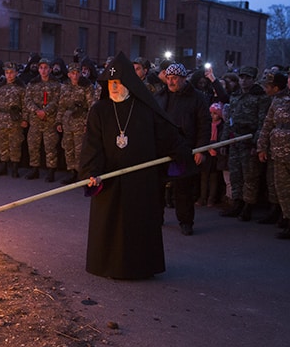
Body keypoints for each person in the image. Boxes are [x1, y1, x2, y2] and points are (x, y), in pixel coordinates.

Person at [80, 52, 191, 279]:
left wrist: (180, 151)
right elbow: (92, 145)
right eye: (110, 82)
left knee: (137, 224)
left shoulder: (145, 108)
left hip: (141, 180)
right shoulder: (99, 110)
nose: (113, 87)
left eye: (118, 82)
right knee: (111, 223)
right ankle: (107, 265)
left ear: (129, 83)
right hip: (109, 178)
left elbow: (165, 135)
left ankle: (140, 266)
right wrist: (92, 172)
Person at [154, 62, 211, 236]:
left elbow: (204, 124)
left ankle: (186, 221)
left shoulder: (197, 97)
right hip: (161, 148)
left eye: (174, 78)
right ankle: (156, 217)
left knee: (183, 188)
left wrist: (201, 149)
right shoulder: (160, 96)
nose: (170, 82)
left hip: (184, 149)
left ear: (184, 78)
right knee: (157, 186)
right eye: (168, 78)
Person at [219, 66, 270, 220]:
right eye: (242, 77)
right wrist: (224, 142)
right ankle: (237, 202)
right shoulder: (235, 95)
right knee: (235, 174)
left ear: (254, 79)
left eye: (248, 78)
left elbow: (262, 122)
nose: (244, 81)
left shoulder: (261, 97)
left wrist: (256, 144)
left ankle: (248, 206)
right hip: (235, 140)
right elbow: (229, 120)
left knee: (250, 175)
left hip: (249, 140)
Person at [257, 72, 290, 238]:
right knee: (282, 188)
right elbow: (267, 124)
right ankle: (286, 218)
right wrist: (261, 147)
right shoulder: (277, 101)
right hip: (278, 152)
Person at [56, 62, 96, 184]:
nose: (75, 75)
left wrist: (87, 123)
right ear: (68, 74)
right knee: (68, 147)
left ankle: (80, 173)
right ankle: (71, 172)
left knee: (79, 149)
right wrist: (58, 121)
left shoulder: (87, 86)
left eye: (77, 73)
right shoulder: (65, 87)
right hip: (67, 121)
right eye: (72, 73)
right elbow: (61, 105)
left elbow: (91, 106)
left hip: (80, 121)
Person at [23, 58, 62, 182]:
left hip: (49, 120)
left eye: (46, 68)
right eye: (41, 68)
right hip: (35, 120)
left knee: (50, 146)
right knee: (33, 145)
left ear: (50, 69)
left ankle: (51, 171)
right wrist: (36, 111)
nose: (43, 70)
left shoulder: (56, 84)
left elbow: (57, 101)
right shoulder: (32, 84)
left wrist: (45, 111)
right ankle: (34, 169)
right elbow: (27, 100)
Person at [0, 62, 26, 177]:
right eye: (7, 72)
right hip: (1, 118)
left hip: (15, 119)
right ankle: (4, 166)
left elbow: (25, 105)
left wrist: (25, 119)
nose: (9, 75)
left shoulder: (21, 88)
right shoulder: (0, 87)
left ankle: (15, 168)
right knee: (2, 143)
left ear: (16, 73)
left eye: (11, 72)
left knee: (15, 143)